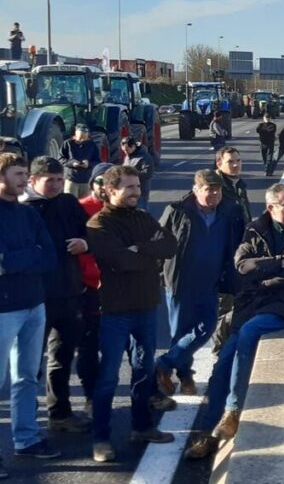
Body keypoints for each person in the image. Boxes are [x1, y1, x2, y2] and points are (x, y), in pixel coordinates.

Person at [185, 183, 284, 459]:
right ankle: (209, 434)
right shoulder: (255, 229)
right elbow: (242, 265)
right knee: (222, 365)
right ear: (271, 208)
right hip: (253, 303)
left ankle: (234, 410)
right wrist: (280, 262)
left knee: (249, 332)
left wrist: (265, 277)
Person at [86, 165, 177, 463]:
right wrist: (145, 254)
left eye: (137, 186)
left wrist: (139, 248)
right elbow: (121, 261)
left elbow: (170, 245)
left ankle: (141, 427)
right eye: (129, 187)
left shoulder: (143, 216)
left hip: (147, 306)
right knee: (109, 377)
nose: (136, 192)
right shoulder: (99, 225)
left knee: (143, 370)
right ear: (111, 190)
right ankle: (101, 439)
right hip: (116, 310)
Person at [155, 170, 244, 397]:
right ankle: (184, 378)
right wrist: (156, 275)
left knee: (206, 327)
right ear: (196, 190)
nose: (214, 193)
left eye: (217, 189)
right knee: (180, 332)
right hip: (179, 282)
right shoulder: (176, 211)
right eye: (208, 189)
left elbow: (240, 241)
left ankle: (164, 363)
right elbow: (157, 242)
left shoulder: (230, 211)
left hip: (211, 281)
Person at [19, 157, 92, 434]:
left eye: (60, 179)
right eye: (50, 180)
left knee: (62, 357)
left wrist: (84, 243)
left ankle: (59, 414)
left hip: (70, 292)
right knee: (27, 366)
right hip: (35, 298)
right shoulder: (24, 209)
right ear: (33, 180)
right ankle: (24, 425)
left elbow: (89, 232)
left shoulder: (68, 203)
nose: (57, 185)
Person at [0, 154, 61, 472]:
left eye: (25, 173)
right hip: (3, 310)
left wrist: (16, 259)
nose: (26, 178)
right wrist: (28, 256)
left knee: (25, 378)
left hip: (34, 304)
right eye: (18, 173)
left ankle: (26, 439)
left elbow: (50, 257)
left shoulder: (28, 214)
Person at [76, 162, 113, 417]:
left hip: (119, 289)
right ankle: (90, 397)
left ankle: (149, 393)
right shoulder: (80, 210)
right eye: (100, 181)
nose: (104, 187)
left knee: (124, 345)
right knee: (88, 347)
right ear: (93, 184)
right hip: (88, 289)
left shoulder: (124, 211)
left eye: (110, 182)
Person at [210, 146, 251, 354]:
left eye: (238, 161)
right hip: (222, 262)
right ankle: (219, 355)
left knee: (237, 306)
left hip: (239, 258)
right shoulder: (216, 190)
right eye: (230, 162)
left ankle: (229, 350)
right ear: (219, 164)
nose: (236, 165)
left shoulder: (238, 186)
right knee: (223, 310)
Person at [59, 124, 102, 197]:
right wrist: (71, 163)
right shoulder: (68, 143)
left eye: (84, 139)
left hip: (86, 180)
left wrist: (89, 164)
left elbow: (98, 162)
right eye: (80, 139)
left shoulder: (92, 145)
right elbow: (60, 159)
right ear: (75, 134)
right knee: (70, 203)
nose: (82, 141)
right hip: (71, 179)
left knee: (85, 205)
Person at [122, 137, 155, 210]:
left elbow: (148, 174)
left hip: (140, 192)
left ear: (133, 146)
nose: (125, 152)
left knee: (141, 214)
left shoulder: (145, 157)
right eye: (124, 150)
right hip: (128, 193)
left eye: (127, 150)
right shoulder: (128, 157)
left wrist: (131, 174)